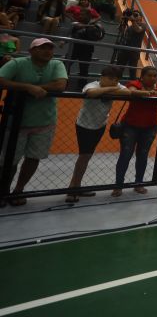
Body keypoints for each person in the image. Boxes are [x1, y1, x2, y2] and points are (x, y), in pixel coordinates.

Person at [0, 38, 68, 206]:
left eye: (50, 48)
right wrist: (28, 87)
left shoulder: (57, 64)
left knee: (33, 158)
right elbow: (1, 80)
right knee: (9, 160)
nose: (47, 51)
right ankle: (3, 191)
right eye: (42, 48)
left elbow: (60, 85)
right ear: (31, 51)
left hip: (44, 121)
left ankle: (18, 190)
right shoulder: (18, 63)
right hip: (16, 121)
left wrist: (37, 88)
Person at [66, 66, 130, 203]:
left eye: (116, 80)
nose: (114, 82)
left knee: (87, 156)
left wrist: (111, 88)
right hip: (84, 125)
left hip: (100, 125)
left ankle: (76, 186)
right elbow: (91, 93)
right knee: (84, 157)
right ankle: (72, 189)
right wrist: (112, 89)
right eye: (111, 79)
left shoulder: (116, 85)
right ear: (102, 77)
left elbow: (128, 93)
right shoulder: (92, 84)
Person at [112, 66, 157, 196]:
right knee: (125, 155)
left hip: (149, 127)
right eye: (149, 75)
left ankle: (138, 184)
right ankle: (118, 185)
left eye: (154, 76)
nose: (152, 78)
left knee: (143, 156)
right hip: (130, 126)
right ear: (142, 76)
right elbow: (131, 91)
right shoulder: (136, 83)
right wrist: (148, 93)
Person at [114, 10, 145, 80]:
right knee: (119, 69)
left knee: (132, 71)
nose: (134, 16)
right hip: (124, 49)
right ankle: (115, 83)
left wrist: (132, 20)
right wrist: (123, 21)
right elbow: (121, 31)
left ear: (141, 17)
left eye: (136, 15)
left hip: (134, 51)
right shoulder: (130, 26)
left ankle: (133, 85)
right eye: (133, 15)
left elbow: (138, 30)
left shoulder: (143, 25)